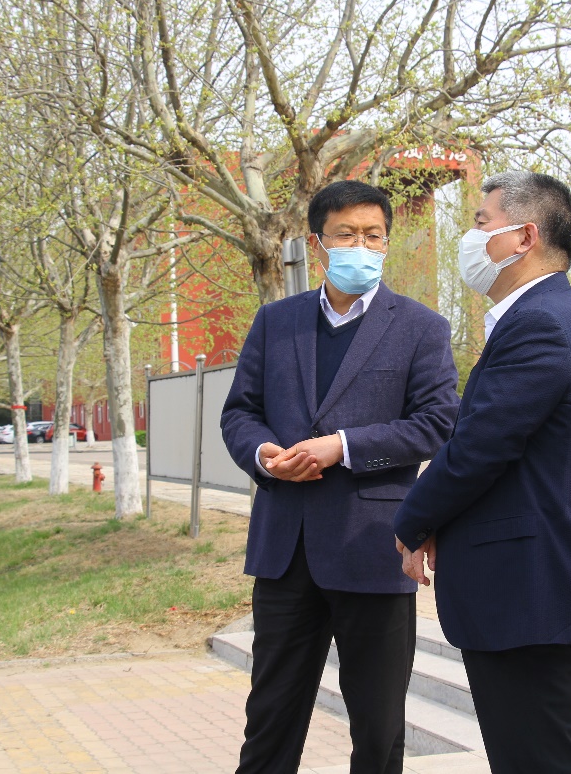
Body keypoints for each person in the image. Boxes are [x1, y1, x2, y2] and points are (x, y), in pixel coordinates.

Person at [220, 180, 460, 774]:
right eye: (347, 235)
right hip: (285, 549)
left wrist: (343, 447)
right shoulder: (277, 322)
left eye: (373, 235)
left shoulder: (421, 327)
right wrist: (265, 455)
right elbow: (240, 412)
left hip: (372, 548)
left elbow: (436, 423)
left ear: (387, 241)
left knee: (377, 728)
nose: (362, 246)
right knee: (269, 720)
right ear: (317, 243)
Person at [392, 170, 571, 774]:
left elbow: (480, 447)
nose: (470, 237)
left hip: (529, 591)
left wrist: (414, 520)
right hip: (525, 590)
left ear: (524, 237)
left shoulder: (542, 322)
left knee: (537, 759)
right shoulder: (539, 316)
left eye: (481, 222)